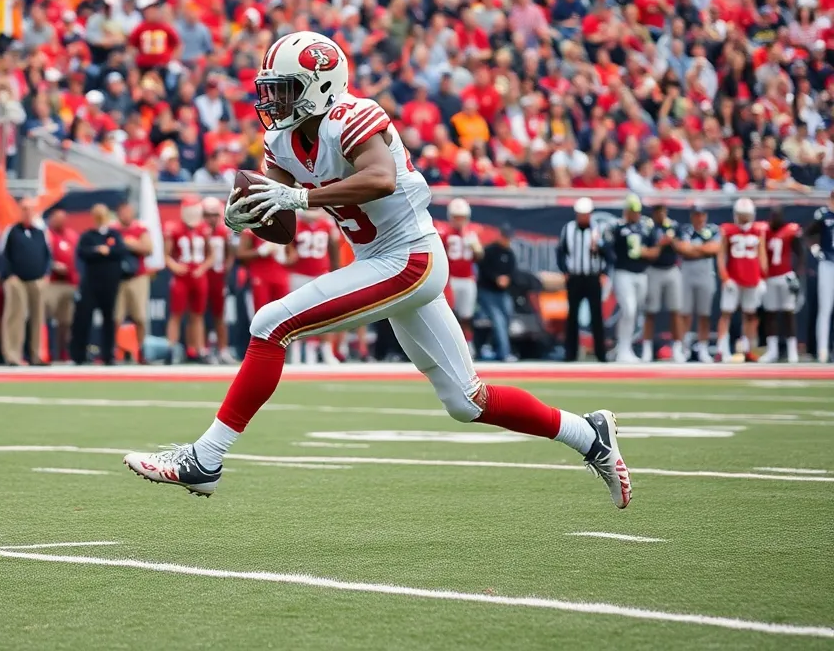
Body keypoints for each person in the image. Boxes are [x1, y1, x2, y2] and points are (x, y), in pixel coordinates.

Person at [124, 31, 630, 510]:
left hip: (410, 255)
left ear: (320, 86)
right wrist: (249, 215)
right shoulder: (280, 141)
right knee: (466, 401)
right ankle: (589, 434)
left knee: (270, 323)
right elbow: (283, 231)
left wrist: (297, 195)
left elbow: (381, 178)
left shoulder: (353, 115)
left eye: (285, 90)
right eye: (270, 90)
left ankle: (205, 457)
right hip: (382, 262)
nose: (273, 102)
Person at [607, 194, 667, 363]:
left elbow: (654, 250)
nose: (635, 214)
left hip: (641, 273)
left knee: (634, 312)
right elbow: (609, 250)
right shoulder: (617, 227)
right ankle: (624, 349)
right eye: (632, 210)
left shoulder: (646, 226)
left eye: (638, 211)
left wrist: (645, 252)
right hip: (623, 273)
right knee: (629, 310)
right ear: (626, 210)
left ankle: (624, 347)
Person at [71, 204, 129, 365]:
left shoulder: (114, 235)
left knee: (109, 319)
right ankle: (79, 355)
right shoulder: (88, 236)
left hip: (110, 283)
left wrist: (108, 251)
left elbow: (120, 251)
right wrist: (98, 250)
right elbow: (83, 252)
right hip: (91, 283)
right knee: (83, 318)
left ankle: (108, 355)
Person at [0, 197, 49, 365]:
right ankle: (13, 355)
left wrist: (45, 274)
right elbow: (2, 255)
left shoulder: (40, 232)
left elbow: (47, 255)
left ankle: (37, 354)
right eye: (24, 209)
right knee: (16, 316)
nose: (27, 212)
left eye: (30, 209)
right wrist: (8, 275)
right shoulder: (12, 231)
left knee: (38, 317)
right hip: (16, 279)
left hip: (36, 279)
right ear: (19, 211)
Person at [557, 197, 606, 363]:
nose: (582, 217)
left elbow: (608, 253)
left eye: (585, 214)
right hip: (575, 277)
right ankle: (570, 354)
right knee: (572, 316)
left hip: (592, 276)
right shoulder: (568, 229)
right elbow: (561, 252)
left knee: (596, 316)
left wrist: (600, 248)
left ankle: (601, 353)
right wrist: (565, 271)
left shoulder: (598, 229)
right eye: (580, 214)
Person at [717, 198, 767, 361]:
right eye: (741, 215)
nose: (744, 218)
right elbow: (721, 255)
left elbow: (762, 255)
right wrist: (725, 277)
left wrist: (762, 278)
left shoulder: (758, 230)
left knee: (750, 315)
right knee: (726, 314)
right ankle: (721, 349)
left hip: (752, 278)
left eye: (746, 215)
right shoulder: (728, 230)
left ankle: (748, 349)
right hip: (733, 278)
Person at [288, 208, 340, 365]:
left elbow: (334, 250)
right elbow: (288, 249)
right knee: (296, 315)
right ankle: (296, 351)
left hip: (320, 273)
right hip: (298, 273)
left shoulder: (327, 224)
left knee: (326, 314)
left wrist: (335, 272)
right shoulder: (294, 224)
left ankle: (326, 349)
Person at [165, 196, 213, 362]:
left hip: (198, 276)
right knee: (176, 314)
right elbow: (166, 256)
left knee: (197, 314)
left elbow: (211, 255)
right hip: (182, 277)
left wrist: (202, 268)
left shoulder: (203, 229)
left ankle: (198, 349)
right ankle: (171, 349)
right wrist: (176, 267)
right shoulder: (175, 229)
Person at [675, 204, 721, 364]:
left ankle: (703, 347)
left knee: (704, 313)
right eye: (696, 215)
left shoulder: (713, 230)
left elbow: (714, 248)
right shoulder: (685, 230)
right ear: (692, 216)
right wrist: (702, 248)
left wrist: (695, 249)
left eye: (701, 215)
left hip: (705, 273)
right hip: (687, 274)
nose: (699, 218)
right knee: (685, 312)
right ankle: (683, 347)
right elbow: (683, 248)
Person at [761, 207, 802, 364]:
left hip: (785, 276)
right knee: (770, 314)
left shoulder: (790, 230)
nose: (774, 219)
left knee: (788, 313)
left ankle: (792, 351)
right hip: (770, 277)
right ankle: (772, 350)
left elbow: (800, 253)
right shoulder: (764, 232)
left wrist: (797, 275)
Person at [441, 198, 484, 349]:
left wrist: (476, 247)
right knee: (451, 315)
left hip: (468, 279)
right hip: (451, 279)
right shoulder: (445, 233)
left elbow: (480, 258)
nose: (459, 221)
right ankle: (452, 345)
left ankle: (468, 344)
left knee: (467, 316)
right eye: (456, 217)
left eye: (462, 217)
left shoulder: (473, 233)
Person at [116, 201, 155, 363]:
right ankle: (118, 351)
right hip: (119, 278)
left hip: (137, 277)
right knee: (116, 317)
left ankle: (140, 351)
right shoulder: (113, 230)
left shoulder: (140, 229)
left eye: (128, 211)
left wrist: (131, 245)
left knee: (139, 316)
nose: (125, 215)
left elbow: (148, 248)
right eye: (123, 212)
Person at [643, 204, 682, 363]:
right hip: (654, 270)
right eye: (658, 211)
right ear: (654, 213)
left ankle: (678, 349)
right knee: (650, 311)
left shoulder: (673, 226)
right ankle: (646, 348)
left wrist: (671, 242)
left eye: (664, 211)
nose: (661, 214)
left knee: (676, 310)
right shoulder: (648, 227)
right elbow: (646, 251)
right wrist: (660, 244)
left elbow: (681, 247)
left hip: (671, 268)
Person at [477, 222, 517, 362]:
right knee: (498, 320)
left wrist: (507, 279)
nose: (507, 240)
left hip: (502, 292)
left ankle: (494, 348)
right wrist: (496, 278)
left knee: (508, 317)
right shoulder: (489, 251)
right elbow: (483, 269)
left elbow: (512, 271)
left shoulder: (510, 253)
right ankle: (505, 353)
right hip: (487, 292)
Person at [201, 198, 235, 363]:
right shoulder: (200, 231)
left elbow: (230, 254)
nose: (211, 218)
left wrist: (225, 271)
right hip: (202, 276)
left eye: (214, 214)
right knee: (200, 314)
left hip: (218, 277)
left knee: (219, 316)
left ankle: (223, 349)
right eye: (207, 215)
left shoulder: (223, 232)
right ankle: (203, 349)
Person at [45, 208, 79, 361]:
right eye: (57, 218)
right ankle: (45, 352)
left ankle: (62, 354)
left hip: (69, 283)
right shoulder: (46, 235)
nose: (60, 221)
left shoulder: (72, 235)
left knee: (66, 322)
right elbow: (42, 256)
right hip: (52, 282)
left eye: (63, 218)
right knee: (45, 318)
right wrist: (53, 265)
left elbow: (76, 258)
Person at [810, 192, 834, 363]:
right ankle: (822, 350)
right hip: (827, 263)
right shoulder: (823, 215)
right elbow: (808, 233)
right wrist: (814, 248)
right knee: (825, 308)